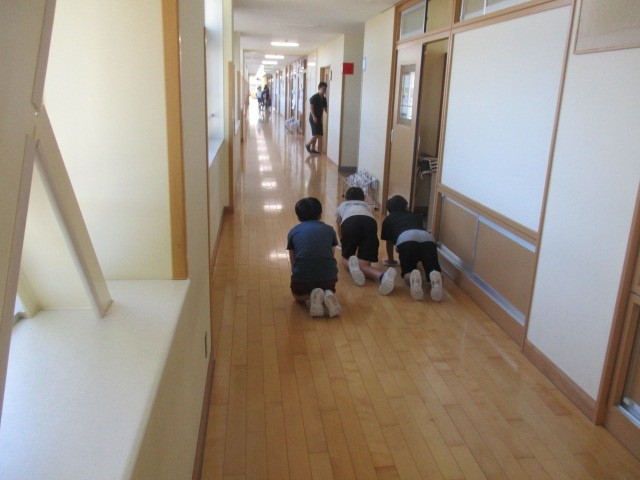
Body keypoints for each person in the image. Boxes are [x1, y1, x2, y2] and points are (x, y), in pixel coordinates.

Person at [381, 195, 443, 301]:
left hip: (406, 239)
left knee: (407, 271)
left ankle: (414, 278)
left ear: (389, 210)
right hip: (428, 238)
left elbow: (389, 243)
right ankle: (436, 279)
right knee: (433, 269)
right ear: (406, 206)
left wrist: (391, 260)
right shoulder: (415, 216)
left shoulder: (388, 219)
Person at [287, 197, 342, 317]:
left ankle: (311, 295)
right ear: (320, 214)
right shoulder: (330, 230)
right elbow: (331, 253)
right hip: (329, 276)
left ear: (298, 217)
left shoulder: (294, 231)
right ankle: (327, 293)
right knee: (327, 287)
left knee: (297, 296)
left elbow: (293, 257)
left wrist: (296, 272)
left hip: (303, 275)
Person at [336, 187, 396, 295]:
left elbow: (339, 227)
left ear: (346, 199)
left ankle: (351, 266)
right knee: (365, 266)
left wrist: (343, 242)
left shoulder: (342, 206)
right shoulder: (367, 206)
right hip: (370, 224)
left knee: (345, 257)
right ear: (363, 198)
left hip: (350, 223)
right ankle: (383, 276)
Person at [305, 82, 327, 155]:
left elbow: (325, 108)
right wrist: (314, 116)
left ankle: (313, 149)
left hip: (319, 118)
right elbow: (311, 107)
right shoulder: (314, 97)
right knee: (317, 134)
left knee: (317, 134)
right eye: (323, 89)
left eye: (325, 89)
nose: (324, 91)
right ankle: (308, 144)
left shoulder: (324, 99)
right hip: (313, 118)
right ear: (319, 89)